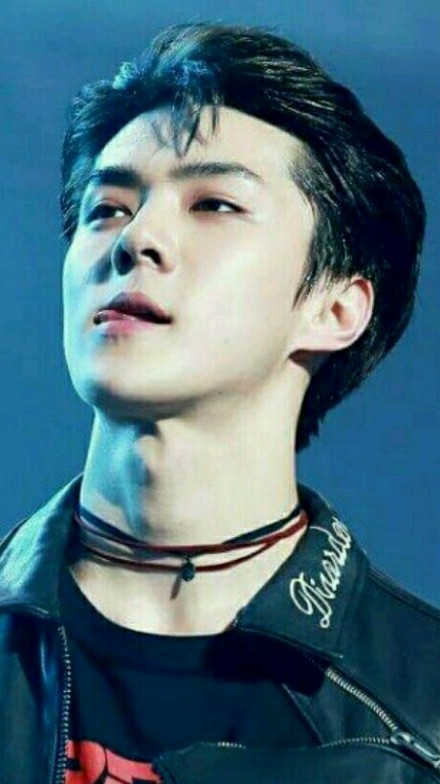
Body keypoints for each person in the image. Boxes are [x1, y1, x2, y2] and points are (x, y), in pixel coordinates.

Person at [0, 22, 438, 784]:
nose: (136, 239)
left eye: (214, 204)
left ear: (336, 308)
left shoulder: (422, 715)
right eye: (107, 208)